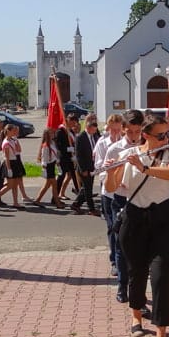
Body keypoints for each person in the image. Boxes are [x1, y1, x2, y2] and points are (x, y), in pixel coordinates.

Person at [105, 114, 169, 337]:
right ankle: (136, 315)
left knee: (160, 276)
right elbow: (111, 187)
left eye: (167, 134)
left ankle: (161, 335)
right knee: (136, 272)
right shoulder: (129, 156)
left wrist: (146, 167)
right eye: (161, 135)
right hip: (135, 219)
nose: (166, 138)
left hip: (163, 219)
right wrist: (113, 168)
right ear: (145, 135)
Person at [103, 109, 145, 303]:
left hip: (141, 200)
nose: (134, 137)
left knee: (140, 247)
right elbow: (106, 179)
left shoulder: (146, 148)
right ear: (123, 130)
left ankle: (138, 287)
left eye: (138, 132)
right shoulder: (115, 149)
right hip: (120, 199)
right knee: (121, 245)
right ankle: (122, 284)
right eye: (130, 132)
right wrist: (115, 169)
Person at [93, 113, 124, 275]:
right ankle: (114, 260)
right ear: (108, 128)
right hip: (108, 192)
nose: (116, 133)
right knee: (112, 227)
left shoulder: (125, 143)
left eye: (118, 130)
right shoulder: (102, 143)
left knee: (124, 228)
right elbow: (98, 166)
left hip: (124, 189)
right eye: (113, 130)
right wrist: (108, 165)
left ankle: (124, 257)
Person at [71, 116, 101, 215]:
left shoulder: (93, 136)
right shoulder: (81, 137)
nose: (94, 132)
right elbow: (78, 155)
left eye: (95, 130)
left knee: (86, 188)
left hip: (92, 167)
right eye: (93, 130)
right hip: (84, 167)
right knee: (88, 189)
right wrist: (83, 169)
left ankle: (76, 204)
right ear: (88, 128)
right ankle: (91, 209)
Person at [0, 124, 26, 209]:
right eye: (13, 131)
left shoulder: (12, 140)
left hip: (14, 163)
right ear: (9, 131)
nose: (15, 132)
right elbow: (7, 158)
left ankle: (15, 202)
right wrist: (9, 169)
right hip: (9, 164)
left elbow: (19, 150)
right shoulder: (6, 142)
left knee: (15, 184)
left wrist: (16, 140)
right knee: (10, 185)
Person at [33, 127, 64, 208]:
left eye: (52, 133)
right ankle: (57, 203)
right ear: (47, 135)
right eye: (51, 133)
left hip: (52, 165)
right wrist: (44, 168)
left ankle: (37, 200)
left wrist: (57, 163)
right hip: (48, 167)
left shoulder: (52, 143)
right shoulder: (46, 146)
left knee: (47, 185)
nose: (53, 134)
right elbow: (44, 158)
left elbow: (54, 155)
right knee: (54, 185)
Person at [56, 115, 80, 201]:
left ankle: (80, 194)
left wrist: (74, 150)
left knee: (74, 175)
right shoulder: (61, 131)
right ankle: (55, 197)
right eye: (73, 122)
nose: (75, 124)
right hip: (63, 158)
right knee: (61, 177)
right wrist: (68, 149)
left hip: (71, 158)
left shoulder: (70, 131)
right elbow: (58, 146)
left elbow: (73, 143)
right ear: (69, 120)